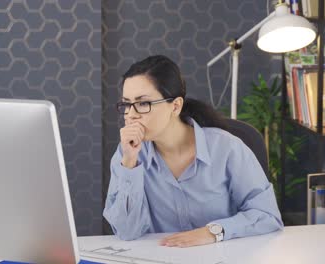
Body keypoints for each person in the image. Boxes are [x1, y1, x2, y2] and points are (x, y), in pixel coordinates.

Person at [103, 55, 283, 248]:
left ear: (175, 106)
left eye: (143, 103)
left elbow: (267, 215)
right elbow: (127, 232)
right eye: (126, 104)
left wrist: (213, 232)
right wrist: (130, 163)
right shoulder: (127, 154)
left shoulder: (227, 148)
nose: (130, 115)